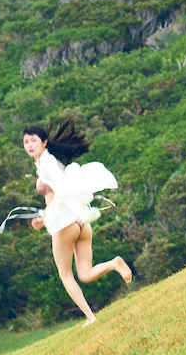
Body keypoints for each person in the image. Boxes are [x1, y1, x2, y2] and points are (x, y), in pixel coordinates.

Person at [22, 121, 132, 325]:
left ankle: (90, 317)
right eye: (26, 141)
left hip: (65, 223)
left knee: (65, 275)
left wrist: (45, 218)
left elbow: (62, 191)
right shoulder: (49, 161)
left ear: (44, 142)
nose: (29, 145)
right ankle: (114, 263)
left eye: (34, 141)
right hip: (80, 223)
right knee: (85, 274)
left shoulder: (47, 164)